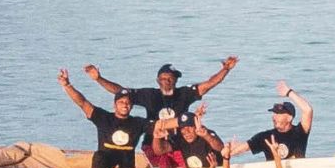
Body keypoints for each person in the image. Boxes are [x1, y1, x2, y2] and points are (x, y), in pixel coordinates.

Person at [58, 68, 147, 168]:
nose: (125, 105)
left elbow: (159, 126)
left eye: (128, 103)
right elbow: (82, 103)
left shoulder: (138, 122)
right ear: (114, 105)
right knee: (98, 156)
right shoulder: (104, 118)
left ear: (131, 106)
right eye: (121, 102)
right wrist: (67, 85)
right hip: (106, 164)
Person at [85, 57, 239, 123]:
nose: (167, 81)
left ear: (176, 80)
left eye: (171, 78)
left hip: (179, 138)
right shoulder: (149, 95)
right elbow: (120, 91)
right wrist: (99, 78)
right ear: (157, 80)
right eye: (164, 78)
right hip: (155, 140)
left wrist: (226, 69)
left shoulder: (185, 94)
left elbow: (209, 84)